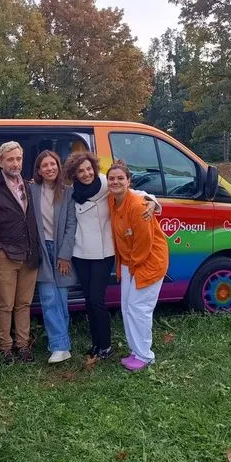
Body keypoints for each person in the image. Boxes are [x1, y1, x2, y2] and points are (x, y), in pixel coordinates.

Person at [64, 151, 158, 361]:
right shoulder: (72, 193)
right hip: (80, 253)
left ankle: (105, 345)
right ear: (75, 174)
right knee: (88, 300)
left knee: (97, 299)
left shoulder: (107, 185)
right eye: (81, 171)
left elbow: (136, 193)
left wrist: (152, 201)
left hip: (103, 253)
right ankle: (95, 344)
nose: (86, 173)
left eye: (89, 168)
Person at [107, 160, 169, 371]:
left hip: (148, 262)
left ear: (128, 181)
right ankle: (135, 350)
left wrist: (151, 201)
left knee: (139, 308)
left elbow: (144, 244)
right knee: (127, 307)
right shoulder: (112, 199)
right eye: (111, 178)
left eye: (120, 178)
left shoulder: (138, 205)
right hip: (128, 261)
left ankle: (145, 355)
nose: (115, 182)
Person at [0, 141, 41, 363]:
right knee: (5, 304)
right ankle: (5, 348)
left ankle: (23, 345)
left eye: (18, 158)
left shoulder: (30, 185)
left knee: (24, 304)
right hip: (5, 255)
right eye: (10, 159)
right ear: (0, 162)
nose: (15, 163)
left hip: (29, 253)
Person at [30, 150, 77, 364]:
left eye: (53, 164)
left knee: (62, 299)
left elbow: (71, 225)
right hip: (41, 249)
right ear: (38, 170)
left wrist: (65, 255)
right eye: (44, 165)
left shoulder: (68, 192)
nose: (49, 168)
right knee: (49, 298)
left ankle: (60, 342)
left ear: (58, 167)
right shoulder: (32, 190)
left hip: (61, 250)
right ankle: (60, 345)